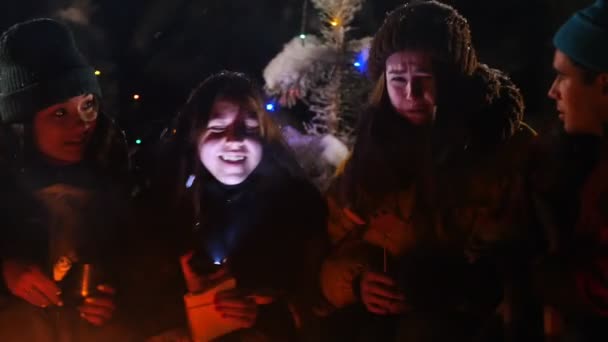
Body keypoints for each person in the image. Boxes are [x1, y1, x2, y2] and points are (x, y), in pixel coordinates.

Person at [318, 1, 534, 341]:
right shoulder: (369, 154)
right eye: (397, 79)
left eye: (423, 78)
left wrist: (456, 284)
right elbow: (331, 245)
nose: (410, 93)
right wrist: (358, 280)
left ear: (451, 80)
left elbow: (522, 253)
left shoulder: (502, 150)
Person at [124, 71, 328, 341]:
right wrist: (201, 307)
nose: (234, 140)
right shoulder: (156, 212)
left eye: (249, 129)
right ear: (194, 137)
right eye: (218, 129)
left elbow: (316, 300)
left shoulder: (298, 208)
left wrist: (263, 310)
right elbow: (135, 309)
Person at [0, 18, 132, 341]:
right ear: (23, 124)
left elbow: (142, 264)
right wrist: (6, 272)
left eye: (87, 105)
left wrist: (115, 301)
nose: (82, 124)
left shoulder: (118, 177)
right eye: (60, 113)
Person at [530, 0, 608, 340]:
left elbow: (597, 289)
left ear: (604, 84)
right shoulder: (586, 162)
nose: (552, 92)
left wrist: (543, 277)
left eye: (563, 76)